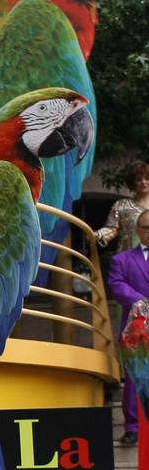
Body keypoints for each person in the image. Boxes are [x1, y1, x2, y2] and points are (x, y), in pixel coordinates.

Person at [107, 210, 149, 445]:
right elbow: (116, 284)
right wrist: (140, 301)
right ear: (137, 230)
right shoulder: (121, 260)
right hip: (136, 328)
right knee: (134, 379)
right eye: (145, 228)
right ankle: (132, 427)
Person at [97, 162, 149, 253]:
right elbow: (112, 228)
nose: (143, 182)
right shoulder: (121, 206)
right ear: (132, 183)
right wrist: (98, 234)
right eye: (138, 179)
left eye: (147, 178)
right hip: (128, 260)